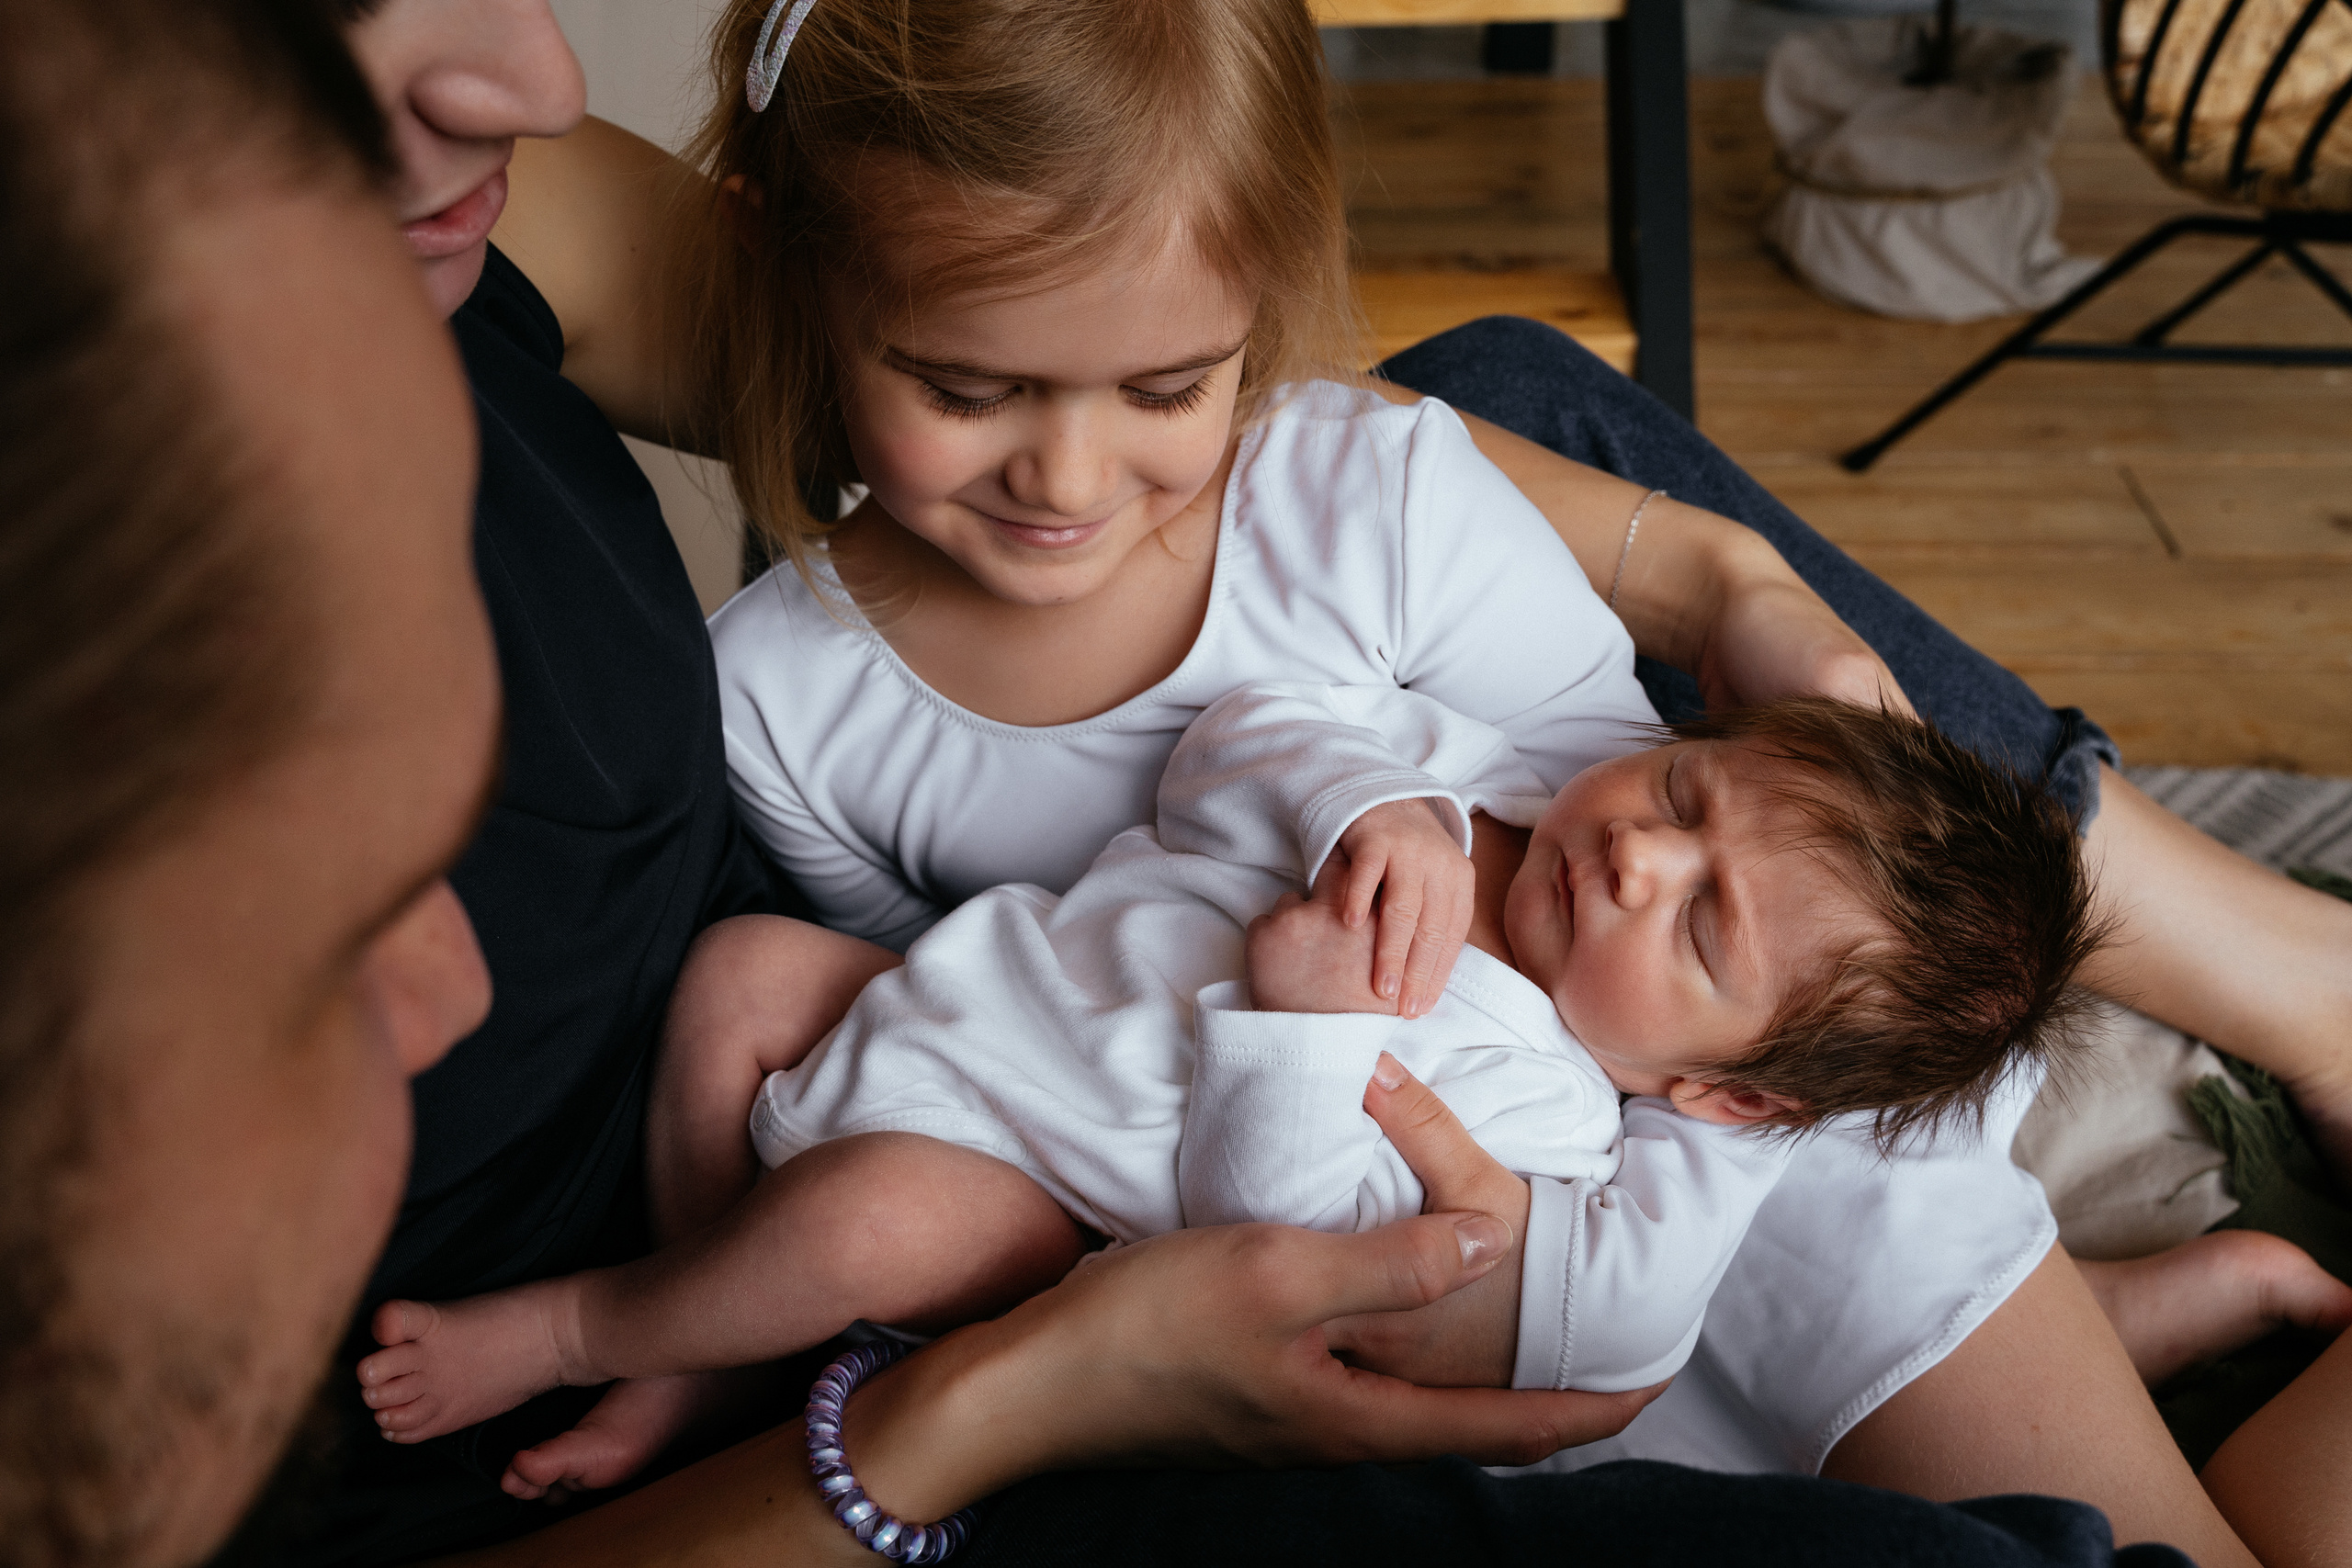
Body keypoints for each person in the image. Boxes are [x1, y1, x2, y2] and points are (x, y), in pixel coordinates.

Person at [191, 0, 2346, 1564]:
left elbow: (1567, 747)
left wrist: (1705, 606)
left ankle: (2238, 1076)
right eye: (970, 387)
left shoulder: (1435, 613)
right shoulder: (779, 688)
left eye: (1169, 388)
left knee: (1539, 468)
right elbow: (993, 1004)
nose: (1068, 474)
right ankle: (2119, 1311)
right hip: (1310, 1172)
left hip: (1683, 1079)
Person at [357, 685, 2111, 1499]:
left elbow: (1282, 1241)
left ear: (1720, 1098)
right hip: (956, 989)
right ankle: (703, 1344)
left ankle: (592, 1328)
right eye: (1684, 794)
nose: (1641, 857)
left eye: (1702, 925)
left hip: (1025, 1171)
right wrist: (1368, 803)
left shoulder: (1548, 1115)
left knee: (862, 1225)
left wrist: (1306, 1035)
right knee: (739, 976)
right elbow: (1236, 740)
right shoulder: (1471, 788)